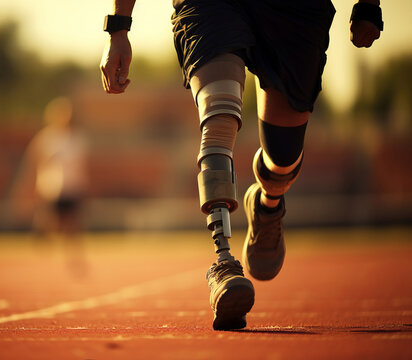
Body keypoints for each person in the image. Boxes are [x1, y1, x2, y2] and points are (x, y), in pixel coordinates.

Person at [100, 0, 383, 330]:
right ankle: (223, 261)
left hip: (294, 11)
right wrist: (118, 27)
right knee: (219, 117)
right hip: (210, 6)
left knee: (283, 156)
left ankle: (268, 202)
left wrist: (369, 4)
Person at [24, 97, 88, 277]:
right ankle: (41, 234)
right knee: (52, 223)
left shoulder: (76, 138)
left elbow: (81, 166)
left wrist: (84, 185)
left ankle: (75, 259)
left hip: (72, 187)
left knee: (72, 225)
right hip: (51, 188)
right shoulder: (46, 138)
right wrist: (33, 187)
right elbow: (35, 162)